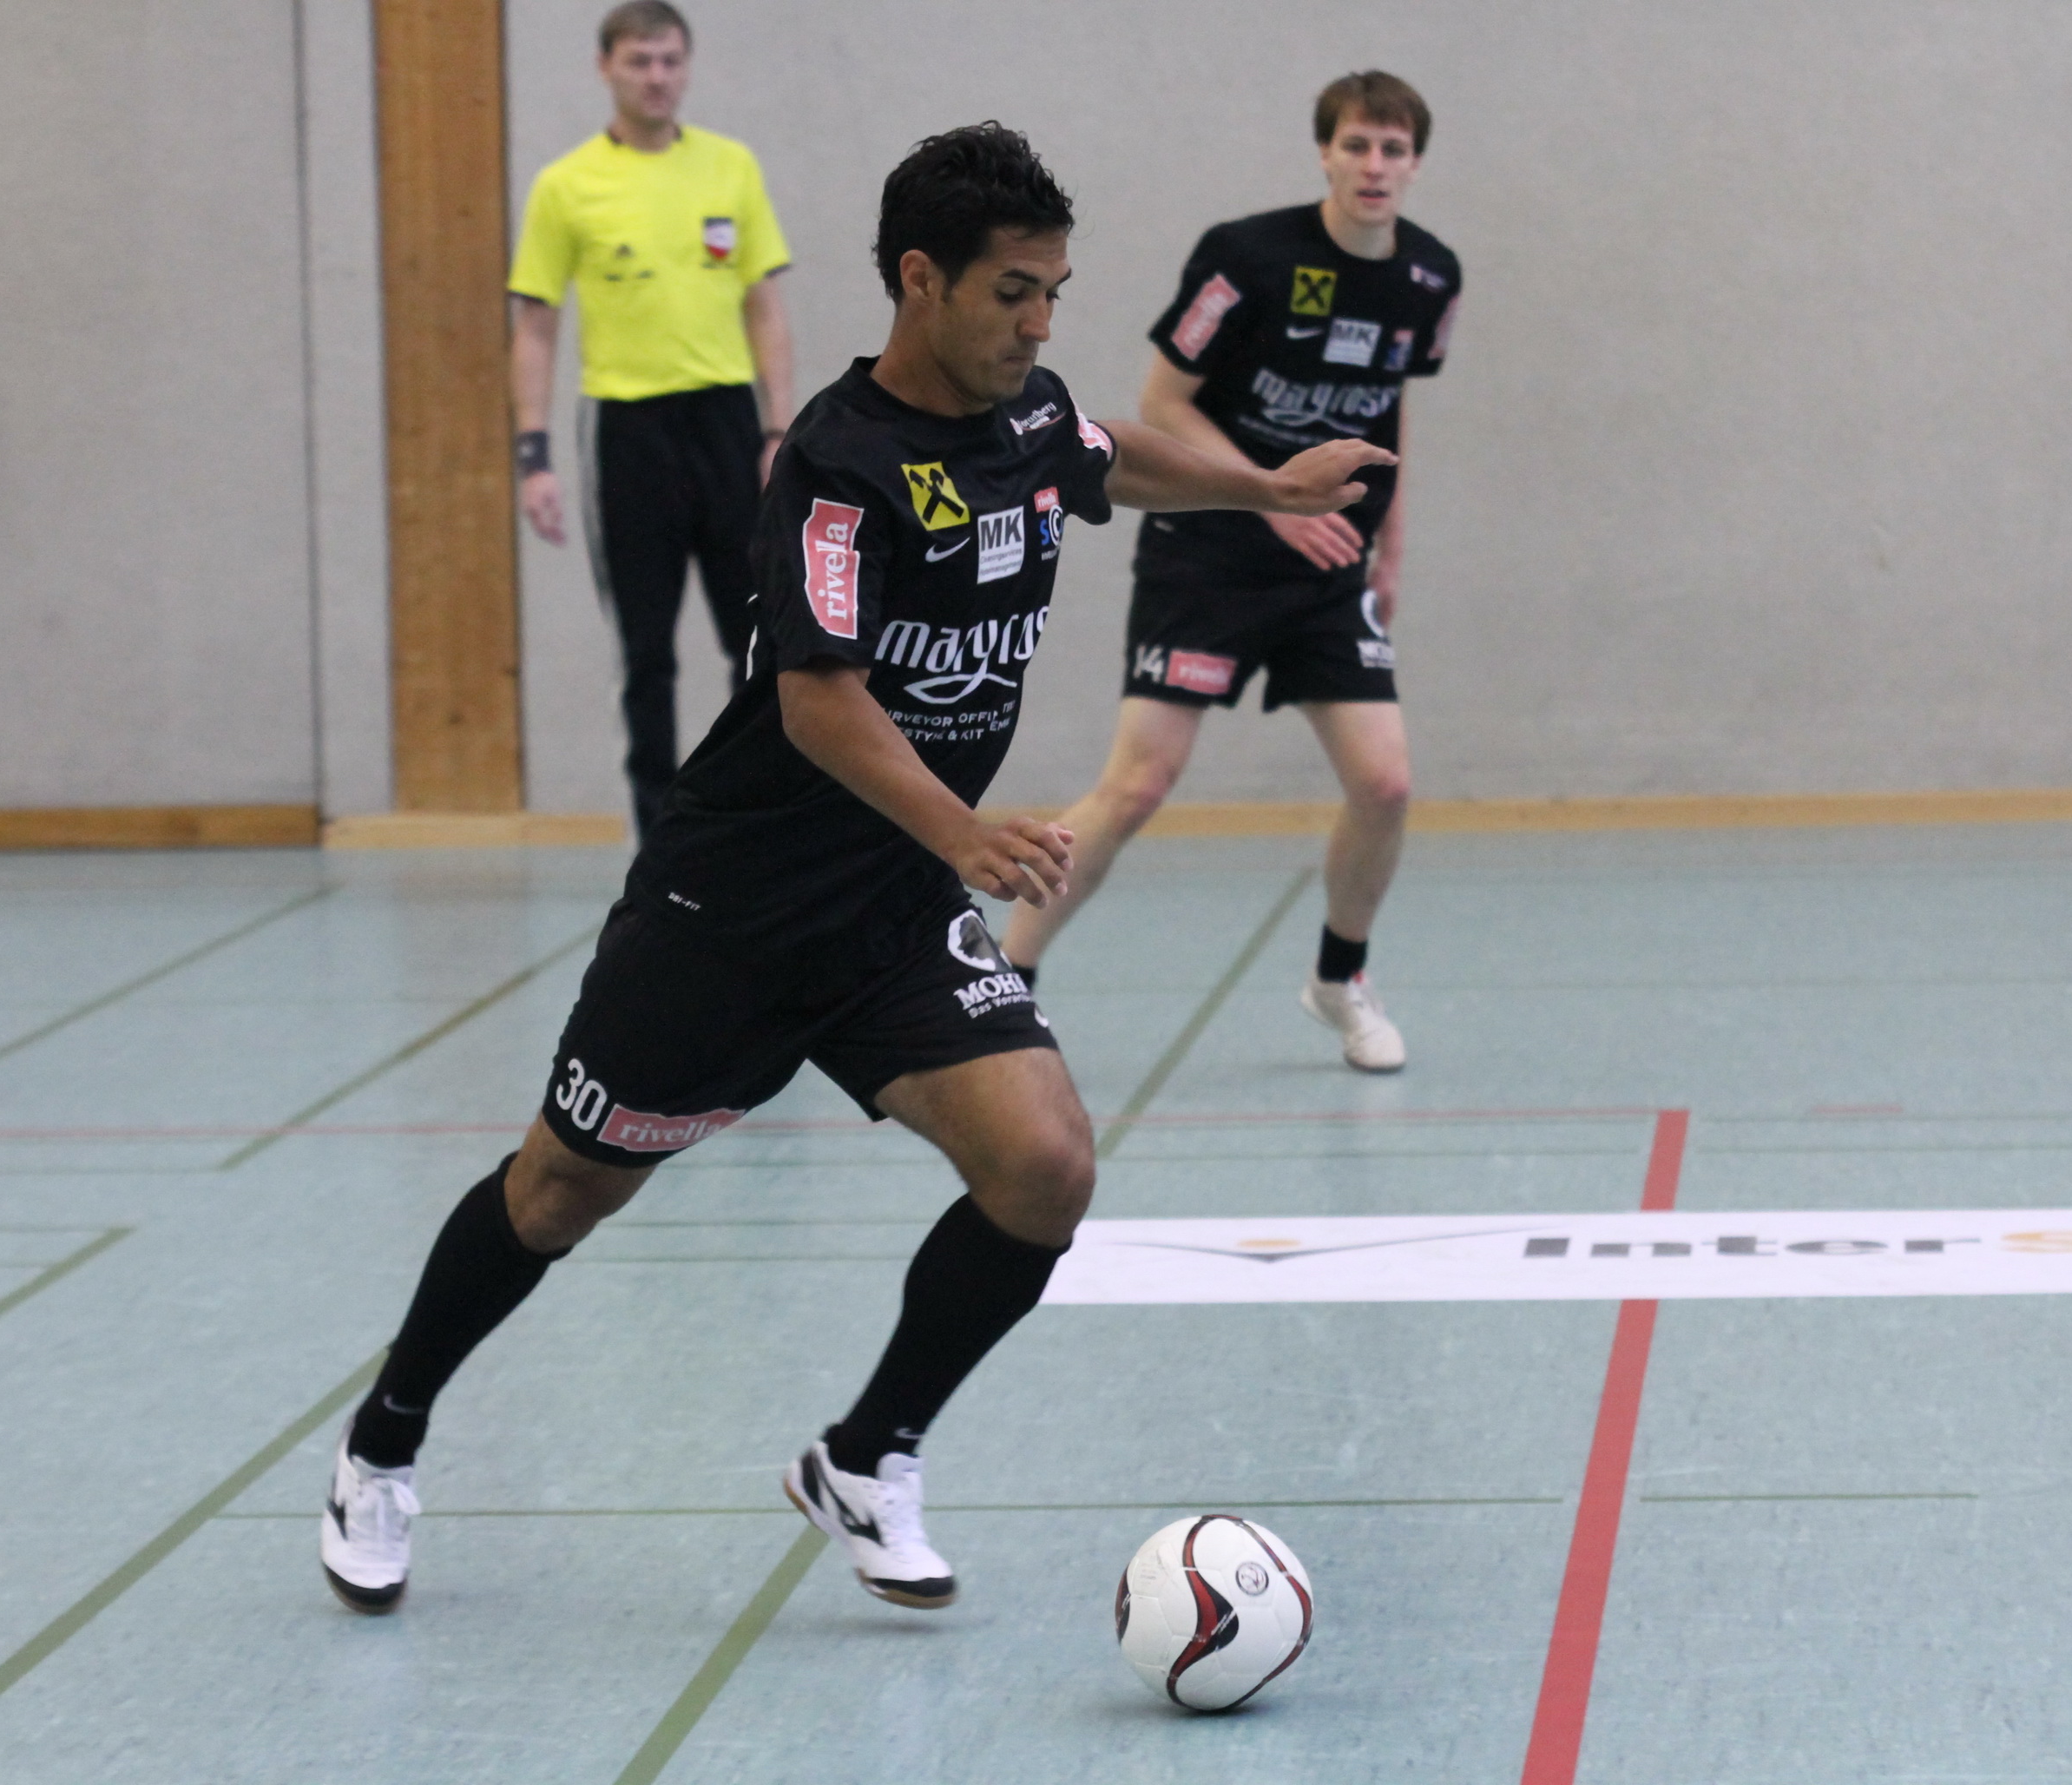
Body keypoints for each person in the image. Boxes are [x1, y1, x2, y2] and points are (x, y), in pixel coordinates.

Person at [320, 124, 1391, 1615]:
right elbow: (820, 700)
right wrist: (962, 832)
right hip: (733, 911)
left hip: (889, 915)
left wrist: (1265, 487)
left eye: (1054, 293)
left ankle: (867, 1456)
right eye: (1011, 293)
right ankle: (381, 1442)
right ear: (918, 279)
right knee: (560, 1190)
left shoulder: (1027, 416)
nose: (1038, 324)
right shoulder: (836, 464)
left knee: (1045, 1167)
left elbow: (1106, 452)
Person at [1001, 72, 1462, 1074]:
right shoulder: (1247, 257)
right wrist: (1270, 498)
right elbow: (1161, 402)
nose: (1374, 165)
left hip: (1328, 566)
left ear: (1416, 164)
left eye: (1392, 149)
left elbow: (1389, 407)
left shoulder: (1431, 278)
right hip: (1209, 552)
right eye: (1356, 145)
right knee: (1137, 787)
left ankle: (1339, 979)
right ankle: (1006, 979)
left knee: (1385, 783)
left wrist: (1389, 546)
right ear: (1325, 153)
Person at [509, 0, 796, 840]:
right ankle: (658, 842)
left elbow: (766, 309)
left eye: (670, 60)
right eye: (639, 61)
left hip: (727, 424)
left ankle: (754, 824)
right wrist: (533, 455)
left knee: (757, 640)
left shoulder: (730, 167)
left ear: (687, 67)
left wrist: (778, 432)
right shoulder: (566, 185)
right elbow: (535, 327)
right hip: (627, 431)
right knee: (644, 654)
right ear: (606, 68)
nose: (657, 77)